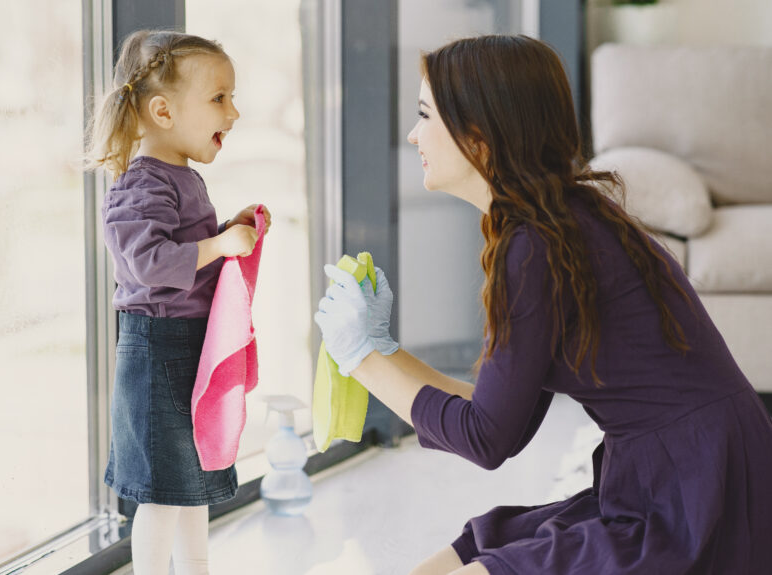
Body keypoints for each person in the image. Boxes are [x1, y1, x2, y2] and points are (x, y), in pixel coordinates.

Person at [313, 35, 772, 575]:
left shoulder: (535, 247)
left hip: (693, 495)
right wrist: (382, 349)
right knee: (453, 559)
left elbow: (486, 439)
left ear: (478, 136)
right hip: (698, 469)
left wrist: (361, 355)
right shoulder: (560, 221)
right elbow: (497, 417)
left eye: (425, 115)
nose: (413, 134)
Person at [85, 29, 271, 575]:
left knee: (188, 483)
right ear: (163, 111)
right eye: (219, 98)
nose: (232, 113)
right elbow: (146, 264)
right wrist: (217, 244)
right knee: (165, 489)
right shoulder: (140, 185)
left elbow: (186, 250)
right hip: (159, 351)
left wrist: (228, 231)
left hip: (185, 347)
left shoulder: (178, 177)